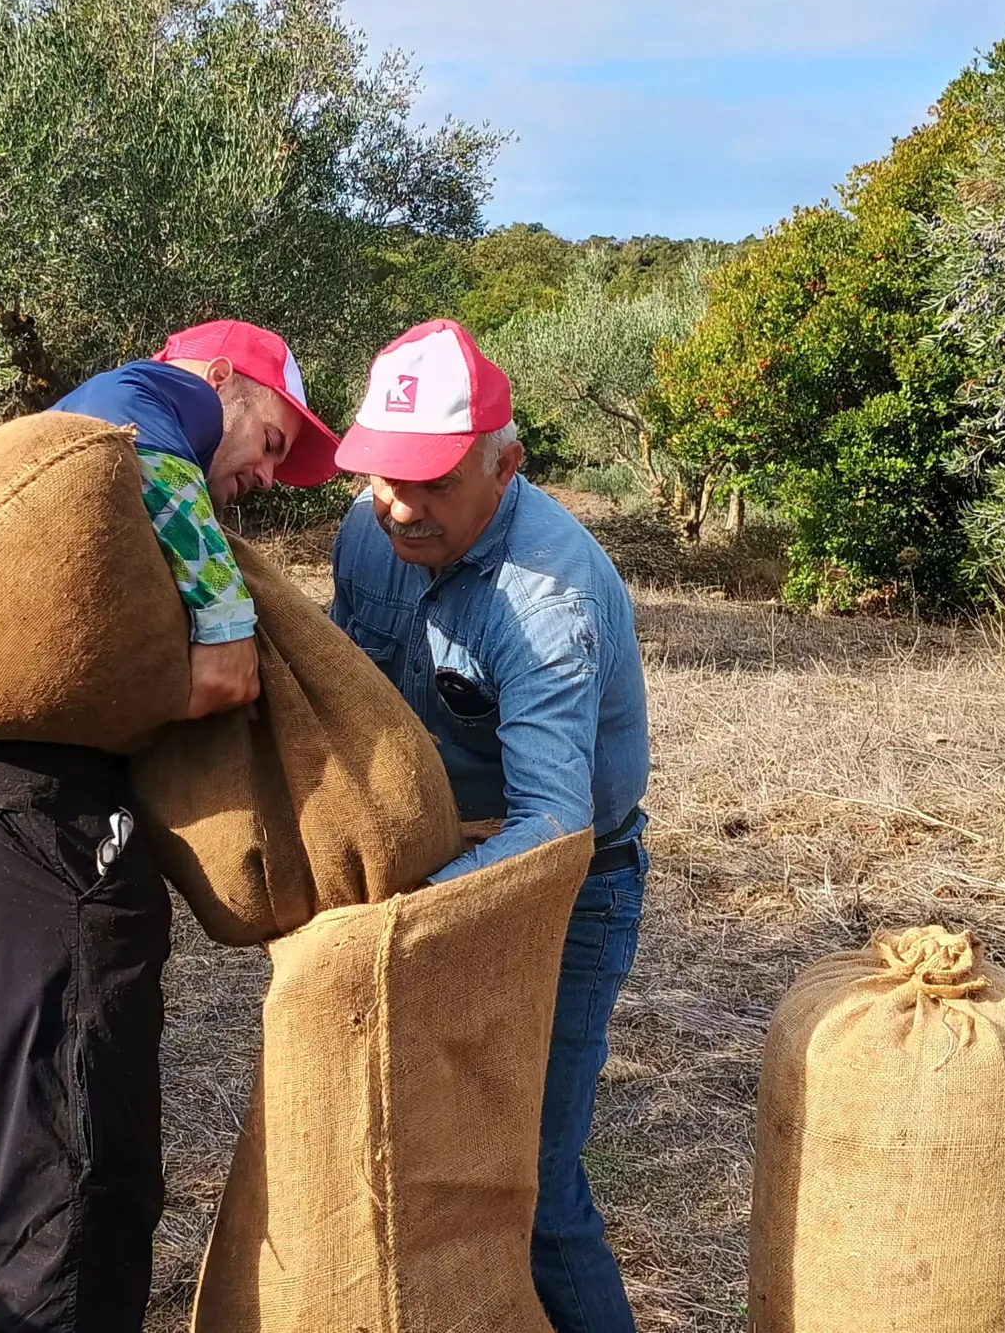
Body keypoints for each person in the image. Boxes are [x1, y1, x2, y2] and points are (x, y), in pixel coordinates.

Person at [0, 320, 339, 1333]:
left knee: (50, 1145)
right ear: (220, 377)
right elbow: (159, 475)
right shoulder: (147, 411)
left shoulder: (70, 451)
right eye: (270, 441)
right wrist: (224, 635)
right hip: (42, 835)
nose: (270, 476)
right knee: (85, 1178)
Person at [326, 318, 650, 1333]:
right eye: (383, 474)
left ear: (505, 464)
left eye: (432, 481)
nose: (399, 505)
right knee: (423, 1151)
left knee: (533, 1190)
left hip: (570, 889)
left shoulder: (550, 600)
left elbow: (552, 824)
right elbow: (344, 695)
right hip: (440, 864)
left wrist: (393, 919)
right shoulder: (364, 531)